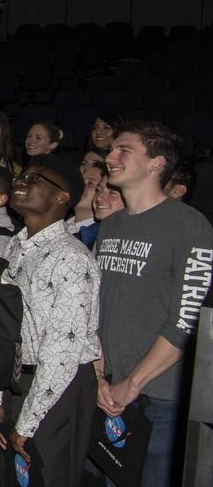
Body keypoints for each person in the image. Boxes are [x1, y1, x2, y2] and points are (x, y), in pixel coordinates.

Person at [95, 121, 213, 487]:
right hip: (109, 389)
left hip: (159, 397)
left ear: (157, 163)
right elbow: (95, 310)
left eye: (123, 150)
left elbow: (186, 319)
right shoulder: (111, 226)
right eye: (111, 149)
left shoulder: (190, 226)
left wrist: (132, 384)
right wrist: (99, 376)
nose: (110, 157)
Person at [0, 155, 100, 487]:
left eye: (35, 178)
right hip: (20, 378)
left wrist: (29, 421)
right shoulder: (17, 245)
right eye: (22, 175)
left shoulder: (70, 257)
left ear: (61, 197)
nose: (20, 181)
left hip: (57, 387)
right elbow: (4, 326)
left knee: (46, 478)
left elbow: (62, 351)